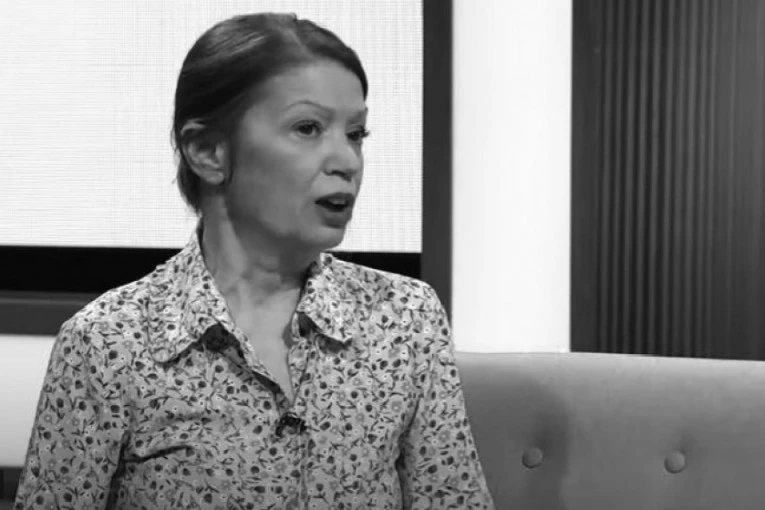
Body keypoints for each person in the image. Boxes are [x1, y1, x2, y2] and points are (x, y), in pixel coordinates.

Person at [14, 12, 494, 509]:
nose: (347, 161)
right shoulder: (107, 343)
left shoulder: (406, 317)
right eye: (308, 128)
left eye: (355, 134)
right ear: (207, 152)